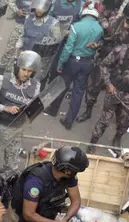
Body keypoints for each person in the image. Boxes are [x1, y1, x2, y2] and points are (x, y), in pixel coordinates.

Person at [76, 0, 129, 123]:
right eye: (128, 18)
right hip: (105, 59)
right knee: (93, 86)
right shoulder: (115, 22)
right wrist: (97, 44)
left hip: (124, 66)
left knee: (122, 94)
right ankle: (88, 110)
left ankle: (118, 117)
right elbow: (105, 40)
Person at [45, 1, 104, 129]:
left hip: (72, 62)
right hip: (88, 62)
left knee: (62, 86)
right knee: (78, 92)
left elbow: (67, 49)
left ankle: (53, 109)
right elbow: (101, 44)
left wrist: (60, 63)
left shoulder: (76, 26)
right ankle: (69, 121)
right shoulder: (100, 29)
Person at [0, 51, 41, 177]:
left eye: (30, 71)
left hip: (16, 131)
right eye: (23, 69)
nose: (26, 74)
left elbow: (34, 108)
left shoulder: (35, 86)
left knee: (11, 168)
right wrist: (5, 108)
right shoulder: (2, 79)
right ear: (17, 67)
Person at [15, 0, 63, 84]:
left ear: (47, 9)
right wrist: (17, 49)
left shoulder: (54, 24)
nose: (39, 10)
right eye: (38, 8)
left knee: (35, 83)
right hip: (25, 55)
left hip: (40, 60)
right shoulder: (28, 18)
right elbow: (23, 35)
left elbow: (56, 42)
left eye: (42, 8)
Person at [0, 0, 34, 73]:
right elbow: (10, 2)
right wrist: (17, 10)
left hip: (34, 28)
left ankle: (16, 72)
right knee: (10, 49)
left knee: (26, 53)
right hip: (20, 25)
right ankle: (1, 70)